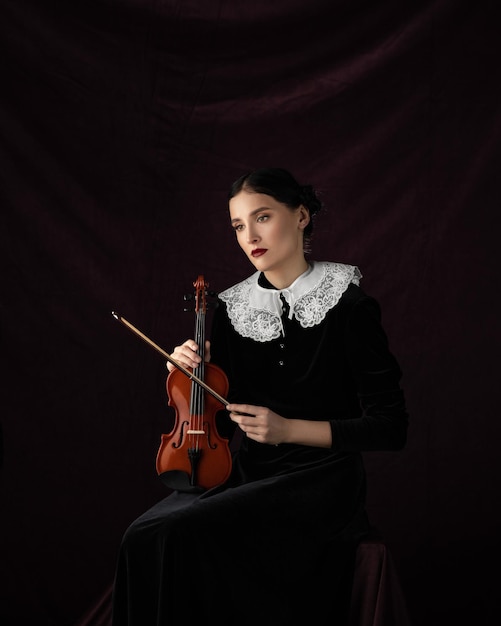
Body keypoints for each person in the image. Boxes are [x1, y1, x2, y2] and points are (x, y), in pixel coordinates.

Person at [111, 167, 409, 626]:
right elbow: (223, 424)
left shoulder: (350, 306)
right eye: (237, 226)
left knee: (181, 532)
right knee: (142, 535)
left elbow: (391, 427)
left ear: (301, 216)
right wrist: (187, 376)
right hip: (249, 471)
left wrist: (288, 430)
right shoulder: (232, 309)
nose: (249, 235)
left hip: (323, 482)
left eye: (263, 217)